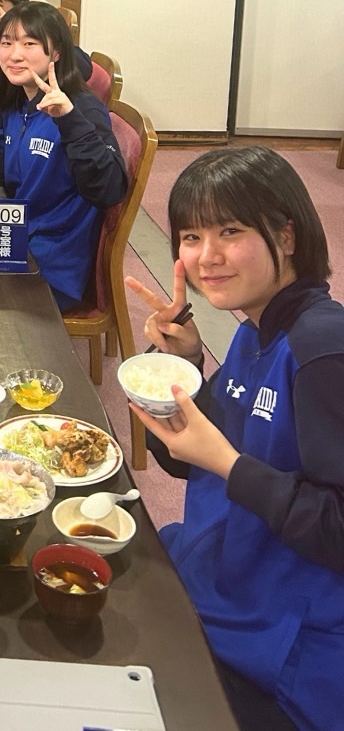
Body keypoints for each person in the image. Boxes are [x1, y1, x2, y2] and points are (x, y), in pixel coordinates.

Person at [124, 147, 344, 731]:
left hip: (290, 636)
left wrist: (229, 465)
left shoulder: (323, 350)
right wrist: (185, 364)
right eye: (191, 237)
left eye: (230, 231)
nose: (207, 256)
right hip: (227, 568)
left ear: (287, 236)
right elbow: (188, 458)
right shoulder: (255, 330)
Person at [0, 2, 127, 311]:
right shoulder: (19, 100)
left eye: (29, 44)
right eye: (6, 43)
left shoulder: (80, 108)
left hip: (51, 267)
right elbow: (25, 182)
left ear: (57, 52)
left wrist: (69, 120)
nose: (14, 54)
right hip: (15, 238)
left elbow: (109, 189)